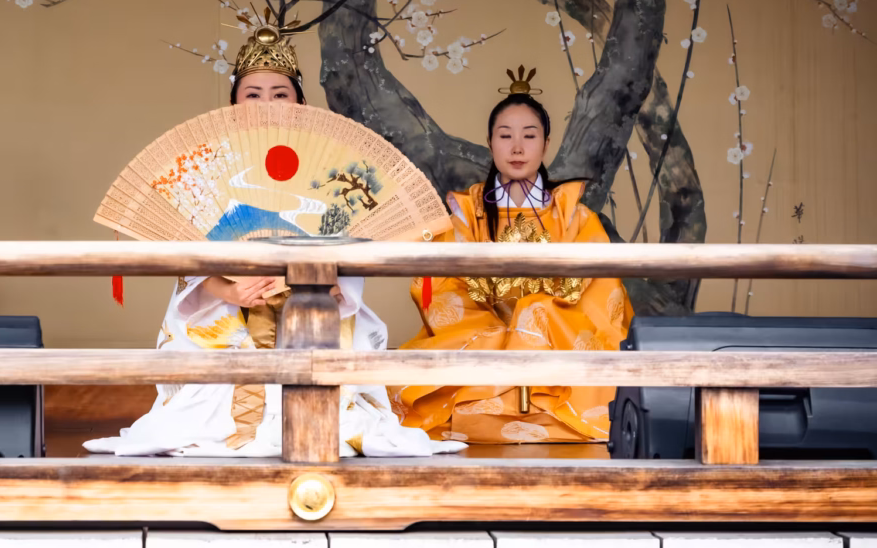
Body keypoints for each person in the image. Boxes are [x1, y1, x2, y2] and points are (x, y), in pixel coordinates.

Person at [85, 27, 462, 457]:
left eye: (280, 94)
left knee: (328, 347)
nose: (267, 104)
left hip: (313, 297)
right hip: (228, 305)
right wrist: (228, 289)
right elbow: (188, 250)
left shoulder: (336, 165)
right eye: (253, 95)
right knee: (216, 355)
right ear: (233, 104)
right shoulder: (207, 163)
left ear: (300, 104)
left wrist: (331, 288)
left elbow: (355, 234)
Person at [392, 67, 633, 444]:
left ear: (546, 144)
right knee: (471, 345)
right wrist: (495, 330)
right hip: (482, 332)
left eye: (529, 136)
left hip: (554, 335)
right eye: (505, 136)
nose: (517, 148)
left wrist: (533, 315)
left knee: (535, 314)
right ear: (490, 143)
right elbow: (440, 286)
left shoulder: (575, 215)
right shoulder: (465, 214)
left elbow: (600, 291)